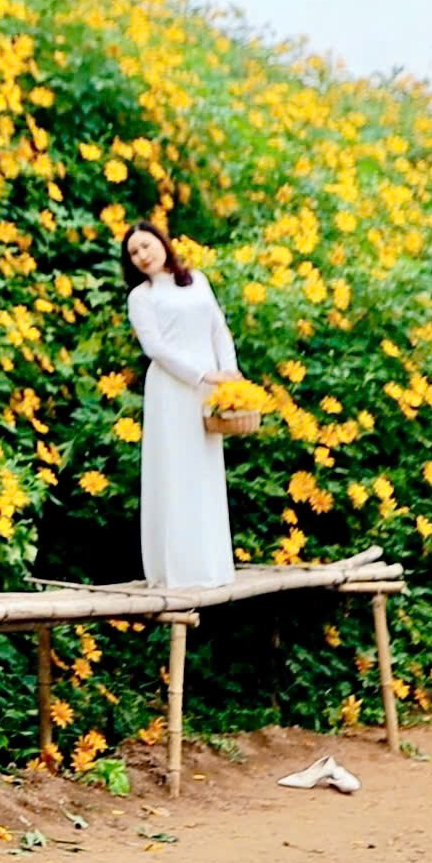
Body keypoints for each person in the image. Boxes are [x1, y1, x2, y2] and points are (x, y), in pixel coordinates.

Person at [121, 221, 242, 590]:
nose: (143, 255)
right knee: (175, 473)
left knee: (204, 471)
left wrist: (229, 371)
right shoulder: (141, 297)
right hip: (173, 391)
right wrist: (204, 374)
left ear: (162, 241)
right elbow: (155, 349)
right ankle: (176, 571)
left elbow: (218, 328)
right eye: (134, 253)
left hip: (209, 389)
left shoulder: (198, 280)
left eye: (146, 245)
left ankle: (211, 567)